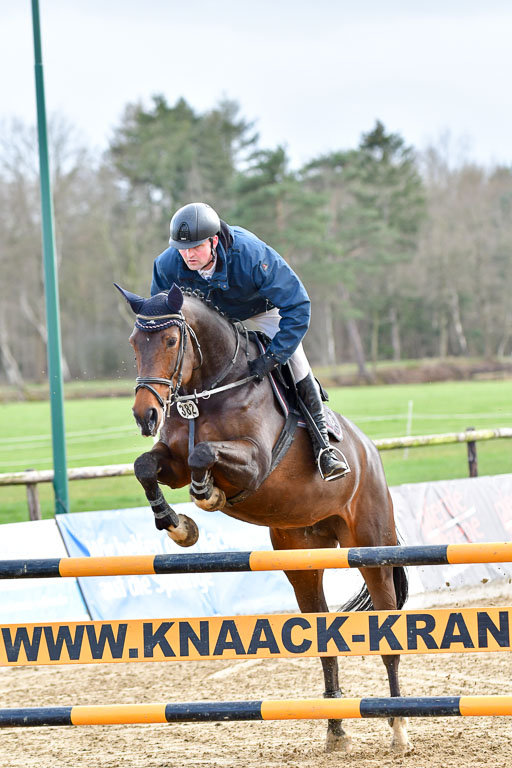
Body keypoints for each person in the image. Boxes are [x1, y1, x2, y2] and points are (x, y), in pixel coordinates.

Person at [151, 202, 349, 481]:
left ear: (214, 240)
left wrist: (273, 357)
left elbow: (298, 305)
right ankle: (169, 433)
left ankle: (323, 448)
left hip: (262, 310)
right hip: (212, 319)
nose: (188, 255)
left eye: (196, 247)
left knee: (296, 361)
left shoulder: (251, 256)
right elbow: (161, 319)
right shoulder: (167, 264)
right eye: (182, 248)